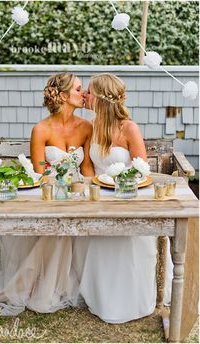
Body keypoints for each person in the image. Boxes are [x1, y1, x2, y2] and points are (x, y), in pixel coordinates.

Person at [0, 72, 94, 316]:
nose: (84, 94)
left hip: (76, 194)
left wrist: (82, 192)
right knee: (56, 225)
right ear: (62, 95)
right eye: (79, 89)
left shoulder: (87, 127)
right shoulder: (41, 129)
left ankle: (67, 281)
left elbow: (87, 169)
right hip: (48, 193)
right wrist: (60, 187)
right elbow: (39, 173)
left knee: (73, 219)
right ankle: (28, 282)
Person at [73, 73, 159, 323]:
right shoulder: (93, 124)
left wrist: (120, 188)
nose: (85, 96)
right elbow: (88, 165)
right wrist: (94, 190)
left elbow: (142, 169)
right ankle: (101, 298)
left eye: (89, 91)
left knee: (129, 240)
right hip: (99, 197)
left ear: (101, 97)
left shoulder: (129, 128)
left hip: (127, 196)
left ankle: (131, 301)